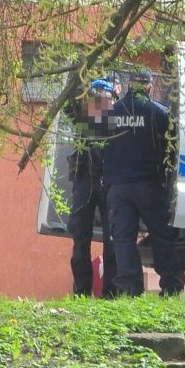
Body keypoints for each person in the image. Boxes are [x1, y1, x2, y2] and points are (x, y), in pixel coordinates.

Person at [103, 69, 184, 297]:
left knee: (123, 239)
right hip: (148, 185)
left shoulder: (111, 112)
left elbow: (96, 143)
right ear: (149, 86)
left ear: (129, 85)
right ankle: (171, 285)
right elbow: (173, 149)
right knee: (161, 235)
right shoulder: (158, 113)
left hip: (119, 187)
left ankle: (129, 287)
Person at [64, 78, 119, 297]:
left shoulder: (116, 117)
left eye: (104, 100)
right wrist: (82, 80)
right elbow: (68, 102)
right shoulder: (84, 116)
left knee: (111, 239)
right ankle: (83, 291)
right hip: (86, 179)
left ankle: (108, 293)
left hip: (106, 182)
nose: (100, 105)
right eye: (96, 100)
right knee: (81, 237)